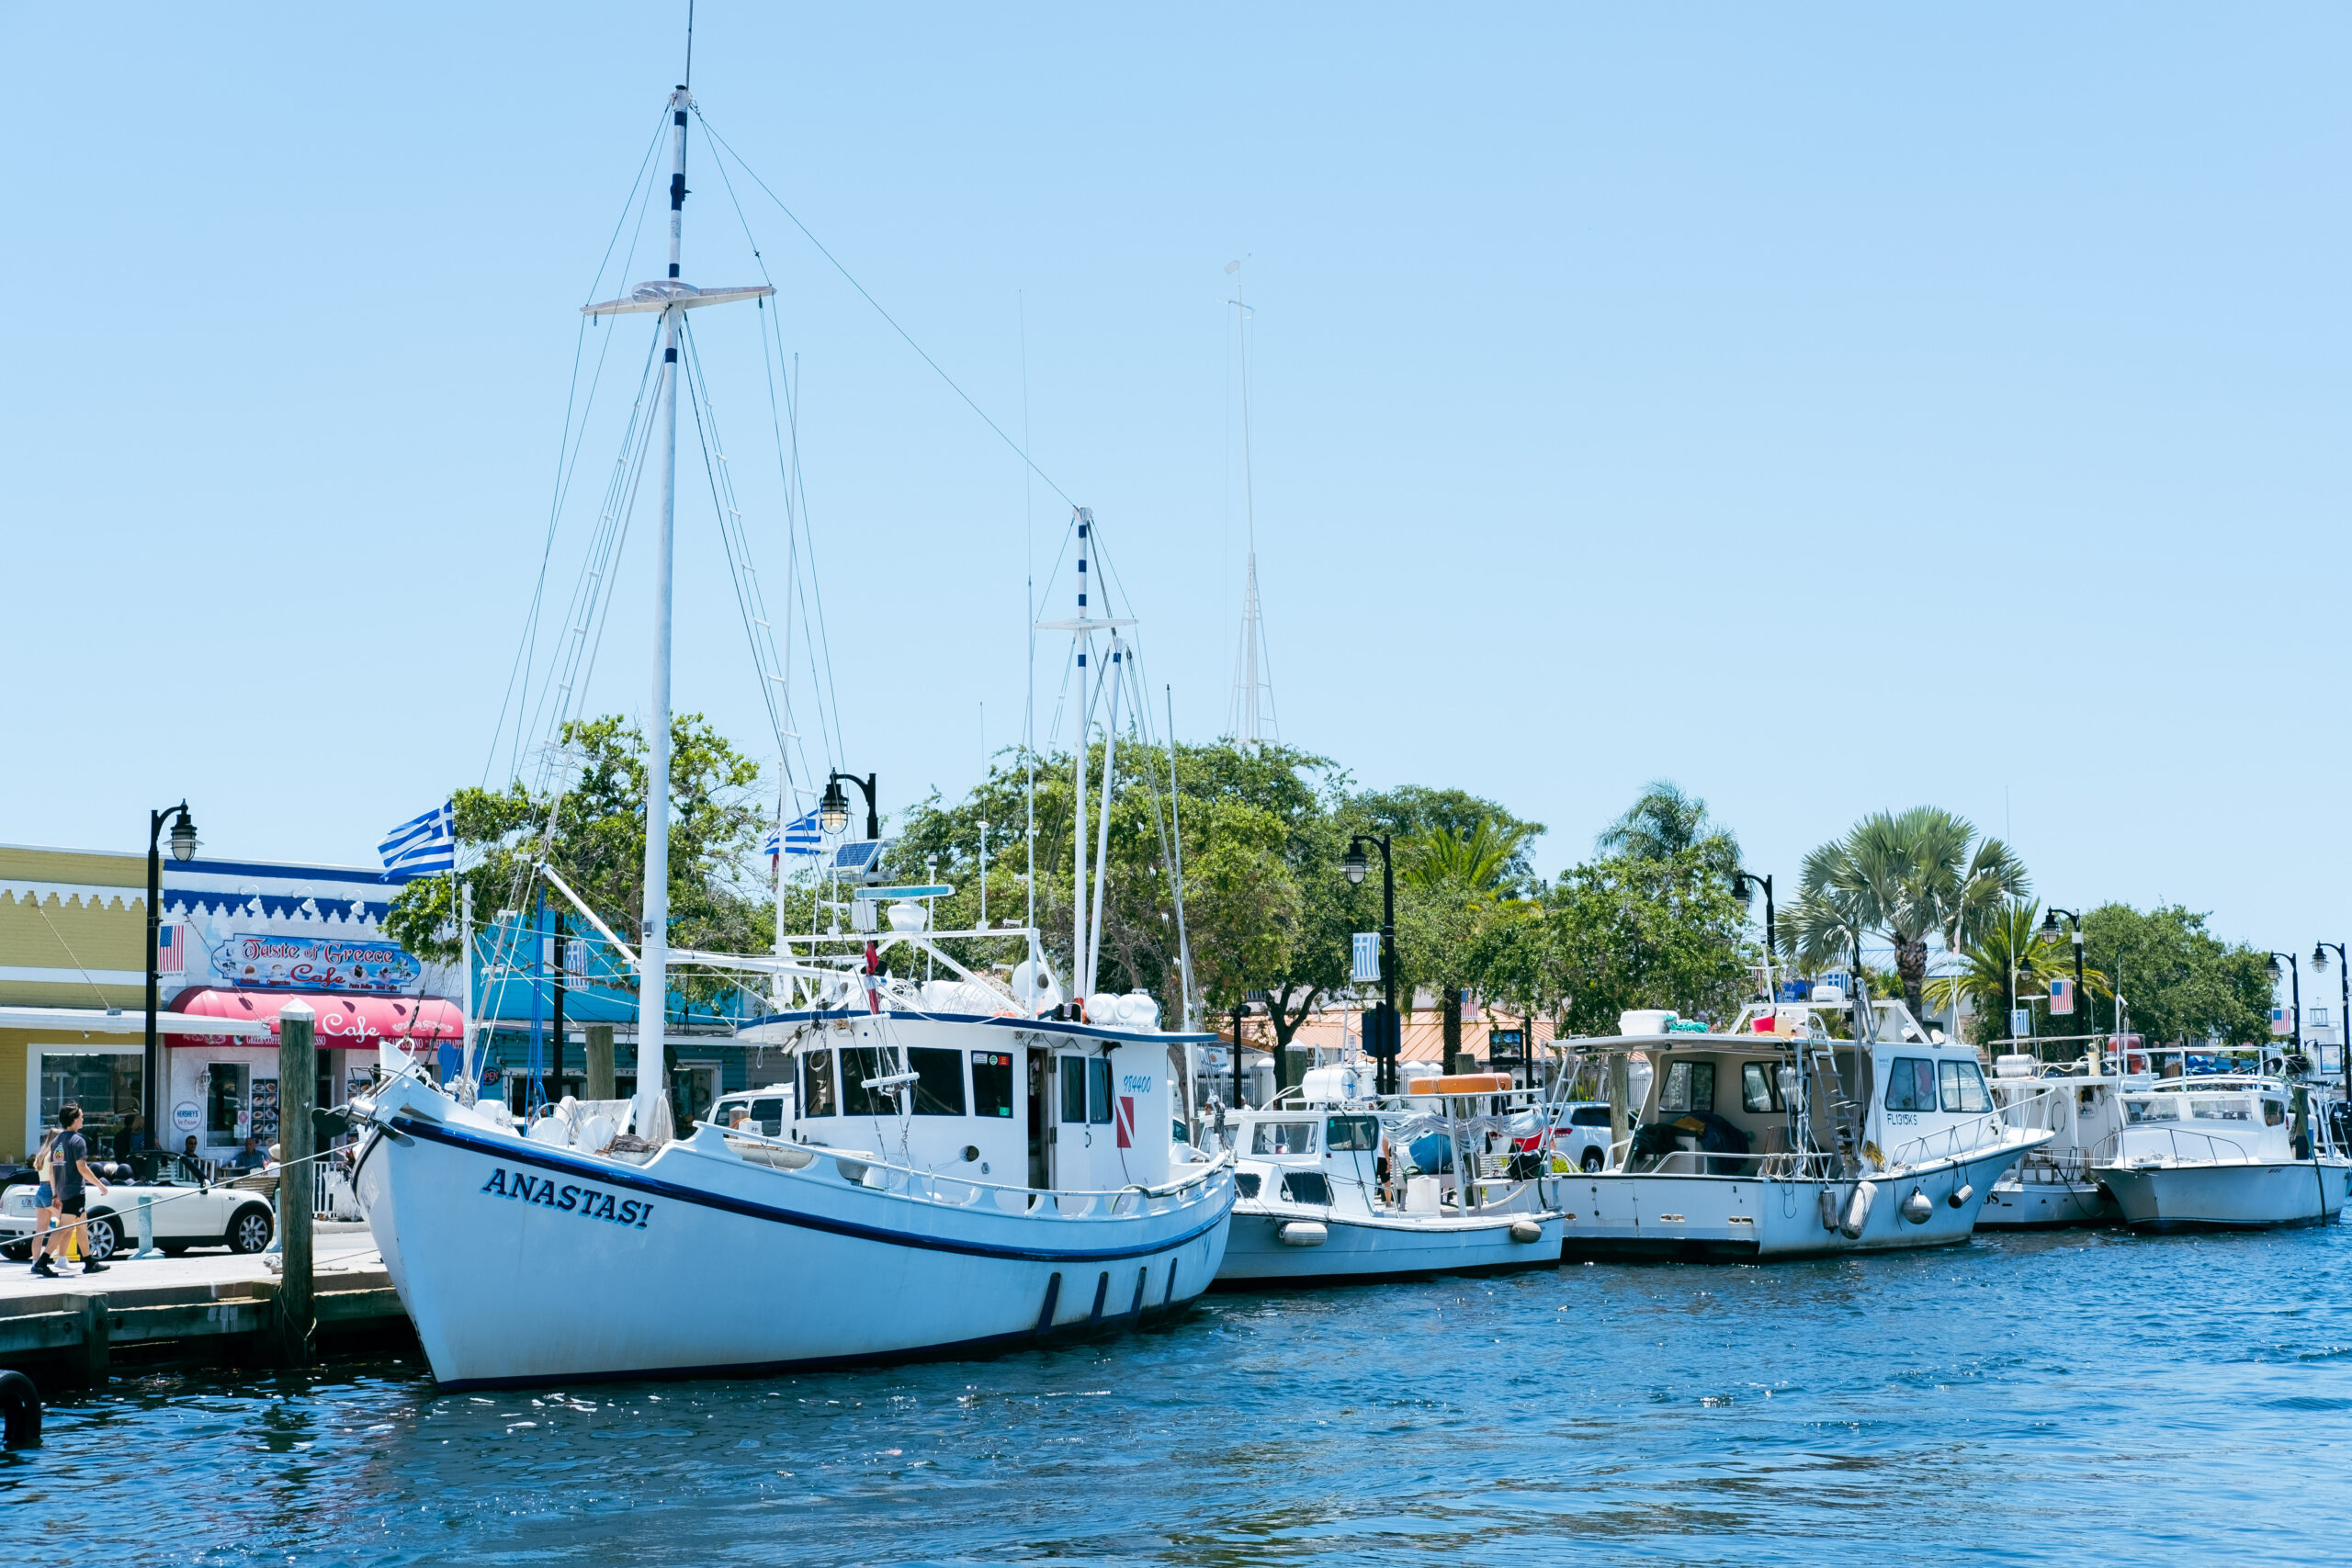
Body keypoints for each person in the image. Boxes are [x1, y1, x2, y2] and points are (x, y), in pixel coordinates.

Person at [40, 1104, 109, 1278]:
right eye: (81, 1116)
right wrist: (100, 1184)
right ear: (73, 1119)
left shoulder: (57, 1141)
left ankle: (89, 1261)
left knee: (82, 1225)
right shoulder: (78, 1140)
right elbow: (83, 1168)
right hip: (74, 1191)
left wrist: (56, 1193)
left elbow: (54, 1169)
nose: (83, 1119)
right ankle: (41, 1262)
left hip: (64, 1191)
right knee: (64, 1228)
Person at [26, 1128, 57, 1275]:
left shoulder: (42, 1154)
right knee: (67, 1221)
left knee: (40, 1232)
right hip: (49, 1190)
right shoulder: (54, 1154)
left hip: (41, 1189)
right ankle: (62, 1257)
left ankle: (35, 1262)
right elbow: (52, 1173)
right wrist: (56, 1193)